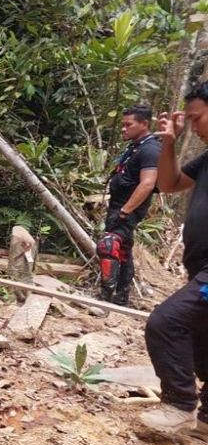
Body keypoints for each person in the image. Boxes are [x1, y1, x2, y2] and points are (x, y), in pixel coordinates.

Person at [138, 81, 208, 436]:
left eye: (197, 118)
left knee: (166, 323)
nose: (194, 126)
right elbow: (168, 184)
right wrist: (169, 141)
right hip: (200, 269)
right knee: (200, 337)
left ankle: (179, 406)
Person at [97, 105, 161, 306]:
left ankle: (104, 300)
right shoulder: (136, 147)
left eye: (128, 125)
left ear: (144, 124)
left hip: (127, 208)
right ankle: (121, 297)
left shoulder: (150, 149)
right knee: (123, 252)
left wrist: (126, 211)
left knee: (108, 245)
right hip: (119, 206)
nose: (123, 129)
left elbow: (148, 183)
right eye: (122, 125)